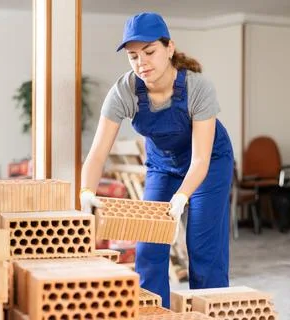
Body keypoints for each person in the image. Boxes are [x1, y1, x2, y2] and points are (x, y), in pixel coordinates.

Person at [79, 12, 234, 308]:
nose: (142, 63)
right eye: (133, 56)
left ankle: (210, 313)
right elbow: (97, 153)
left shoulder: (198, 88)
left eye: (149, 52)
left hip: (210, 163)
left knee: (203, 248)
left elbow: (200, 160)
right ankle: (155, 313)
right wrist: (86, 193)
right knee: (149, 246)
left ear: (169, 48)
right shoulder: (124, 91)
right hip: (163, 166)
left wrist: (181, 197)